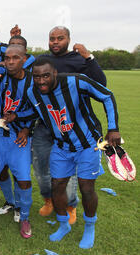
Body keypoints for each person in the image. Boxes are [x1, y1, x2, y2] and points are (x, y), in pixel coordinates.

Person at [6, 57, 120, 249]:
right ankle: (63, 224)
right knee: (57, 185)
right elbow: (35, 112)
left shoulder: (76, 81)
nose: (41, 81)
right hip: (61, 145)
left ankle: (89, 227)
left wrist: (113, 128)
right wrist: (16, 116)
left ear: (55, 73)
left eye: (45, 76)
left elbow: (107, 96)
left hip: (88, 145)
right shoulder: (33, 92)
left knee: (86, 188)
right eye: (36, 77)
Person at [32, 26, 107, 224]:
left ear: (68, 39)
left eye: (60, 38)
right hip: (45, 124)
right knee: (41, 168)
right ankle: (50, 201)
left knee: (69, 173)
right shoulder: (42, 60)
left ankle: (70, 205)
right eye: (51, 38)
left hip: (72, 126)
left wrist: (89, 57)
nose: (55, 42)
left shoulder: (77, 59)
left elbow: (101, 85)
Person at [0, 44, 35, 239]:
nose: (10, 62)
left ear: (24, 59)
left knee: (24, 180)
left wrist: (22, 122)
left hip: (20, 138)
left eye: (15, 58)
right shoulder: (0, 74)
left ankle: (25, 217)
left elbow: (39, 110)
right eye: (7, 58)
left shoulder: (33, 82)